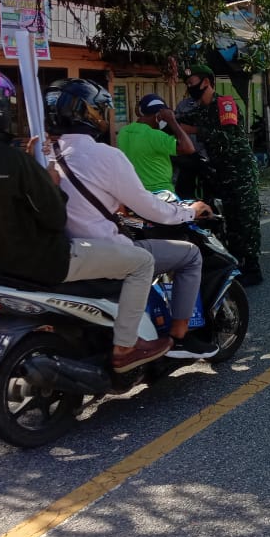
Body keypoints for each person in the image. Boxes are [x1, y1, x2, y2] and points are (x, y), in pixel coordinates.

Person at [0, 66, 171, 373]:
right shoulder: (16, 160)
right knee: (141, 262)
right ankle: (126, 347)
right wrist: (51, 184)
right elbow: (55, 218)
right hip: (46, 259)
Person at [45, 78, 219, 359]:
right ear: (90, 113)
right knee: (189, 256)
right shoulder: (104, 154)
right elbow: (153, 204)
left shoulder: (44, 154)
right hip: (116, 235)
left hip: (64, 245)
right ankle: (179, 337)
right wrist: (191, 211)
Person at [176, 64, 264, 286]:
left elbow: (226, 136)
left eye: (193, 82)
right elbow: (181, 121)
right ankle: (237, 262)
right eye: (187, 83)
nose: (190, 87)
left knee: (246, 218)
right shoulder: (200, 109)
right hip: (221, 171)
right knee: (231, 219)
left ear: (206, 82)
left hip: (240, 170)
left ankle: (253, 266)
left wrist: (194, 130)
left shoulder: (225, 104)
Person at [117, 93, 195, 193]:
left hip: (135, 192)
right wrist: (172, 121)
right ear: (158, 116)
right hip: (160, 193)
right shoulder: (154, 136)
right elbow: (188, 148)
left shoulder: (123, 132)